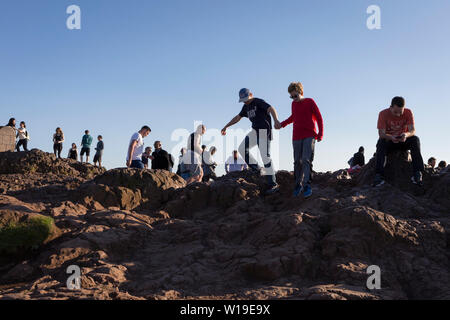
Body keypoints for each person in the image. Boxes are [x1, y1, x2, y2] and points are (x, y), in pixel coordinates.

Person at [221, 88, 281, 194]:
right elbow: (237, 118)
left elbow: (271, 108)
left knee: (265, 157)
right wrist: (226, 126)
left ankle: (273, 184)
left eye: (246, 99)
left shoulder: (258, 101)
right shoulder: (246, 106)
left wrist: (276, 120)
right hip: (254, 131)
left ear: (251, 95)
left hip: (263, 131)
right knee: (242, 149)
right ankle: (256, 169)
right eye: (243, 100)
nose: (245, 101)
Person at [278, 82, 324, 198]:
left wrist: (320, 134)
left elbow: (319, 117)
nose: (294, 99)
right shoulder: (293, 104)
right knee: (297, 161)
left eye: (295, 96)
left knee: (306, 159)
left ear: (301, 92)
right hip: (296, 136)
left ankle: (307, 185)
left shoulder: (310, 101)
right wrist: (282, 124)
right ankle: (298, 185)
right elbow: (293, 117)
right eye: (291, 97)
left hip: (309, 135)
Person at [373, 96, 425, 187]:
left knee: (415, 139)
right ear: (390, 107)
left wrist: (406, 135)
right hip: (390, 141)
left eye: (400, 112)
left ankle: (417, 173)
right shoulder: (383, 114)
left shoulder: (408, 112)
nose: (398, 115)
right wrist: (391, 137)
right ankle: (379, 175)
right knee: (381, 142)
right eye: (395, 112)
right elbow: (381, 134)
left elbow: (412, 130)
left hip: (402, 141)